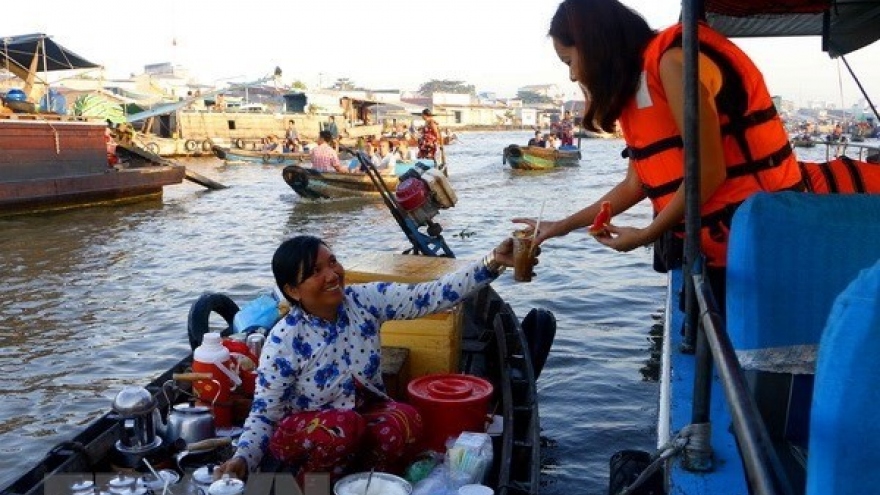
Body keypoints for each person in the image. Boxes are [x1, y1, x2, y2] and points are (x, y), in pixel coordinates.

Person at [517, 0, 803, 306]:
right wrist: (560, 227)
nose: (573, 75)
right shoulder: (639, 83)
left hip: (760, 238)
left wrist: (647, 233)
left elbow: (708, 171)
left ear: (594, 44)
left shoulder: (673, 62)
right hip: (720, 247)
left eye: (569, 61)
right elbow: (634, 184)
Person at [212, 234, 528, 482]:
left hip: (358, 417)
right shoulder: (284, 339)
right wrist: (242, 459)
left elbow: (430, 295)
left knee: (405, 418)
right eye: (316, 271)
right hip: (304, 435)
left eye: (332, 262)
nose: (333, 274)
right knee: (344, 426)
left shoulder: (364, 301)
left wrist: (492, 263)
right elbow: (265, 413)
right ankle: (310, 485)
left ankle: (361, 481)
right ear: (293, 291)